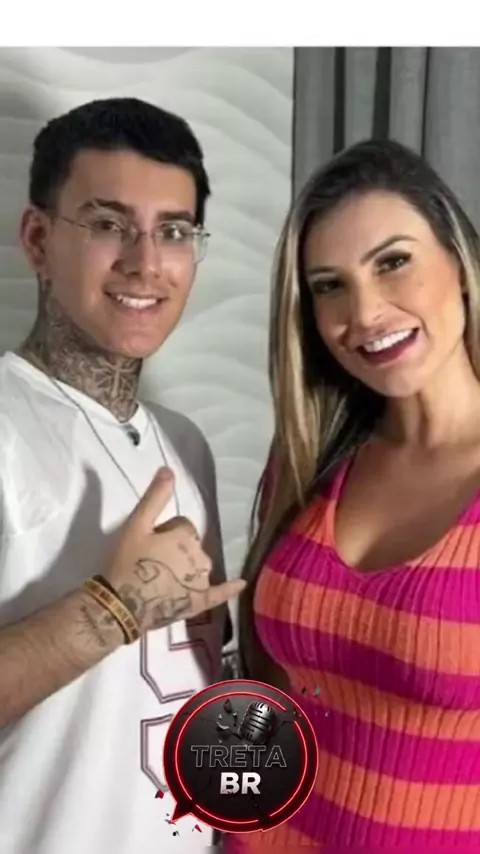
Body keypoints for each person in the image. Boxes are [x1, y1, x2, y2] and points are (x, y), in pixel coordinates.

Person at [0, 97, 244, 854]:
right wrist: (113, 608)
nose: (145, 262)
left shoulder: (188, 447)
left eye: (173, 231)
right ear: (38, 239)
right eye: (108, 224)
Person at [225, 138, 480, 850]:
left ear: (459, 262)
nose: (364, 313)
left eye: (393, 262)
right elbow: (271, 692)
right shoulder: (309, 458)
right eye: (329, 286)